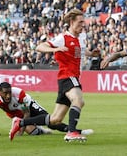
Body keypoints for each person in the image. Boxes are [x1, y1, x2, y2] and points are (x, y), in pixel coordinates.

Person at [9, 9, 99, 142]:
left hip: (71, 78)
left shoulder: (81, 37)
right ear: (71, 22)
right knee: (79, 100)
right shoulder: (62, 38)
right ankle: (72, 132)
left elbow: (81, 51)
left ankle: (20, 122)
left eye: (83, 22)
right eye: (80, 22)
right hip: (67, 76)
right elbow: (40, 47)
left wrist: (92, 54)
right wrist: (55, 49)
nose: (82, 25)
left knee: (55, 119)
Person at [0, 82, 93, 137]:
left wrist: (20, 131)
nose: (8, 95)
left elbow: (27, 112)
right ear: (0, 93)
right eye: (5, 94)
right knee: (32, 132)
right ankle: (41, 131)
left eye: (9, 92)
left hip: (29, 106)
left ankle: (72, 130)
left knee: (52, 122)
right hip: (15, 113)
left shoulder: (19, 94)